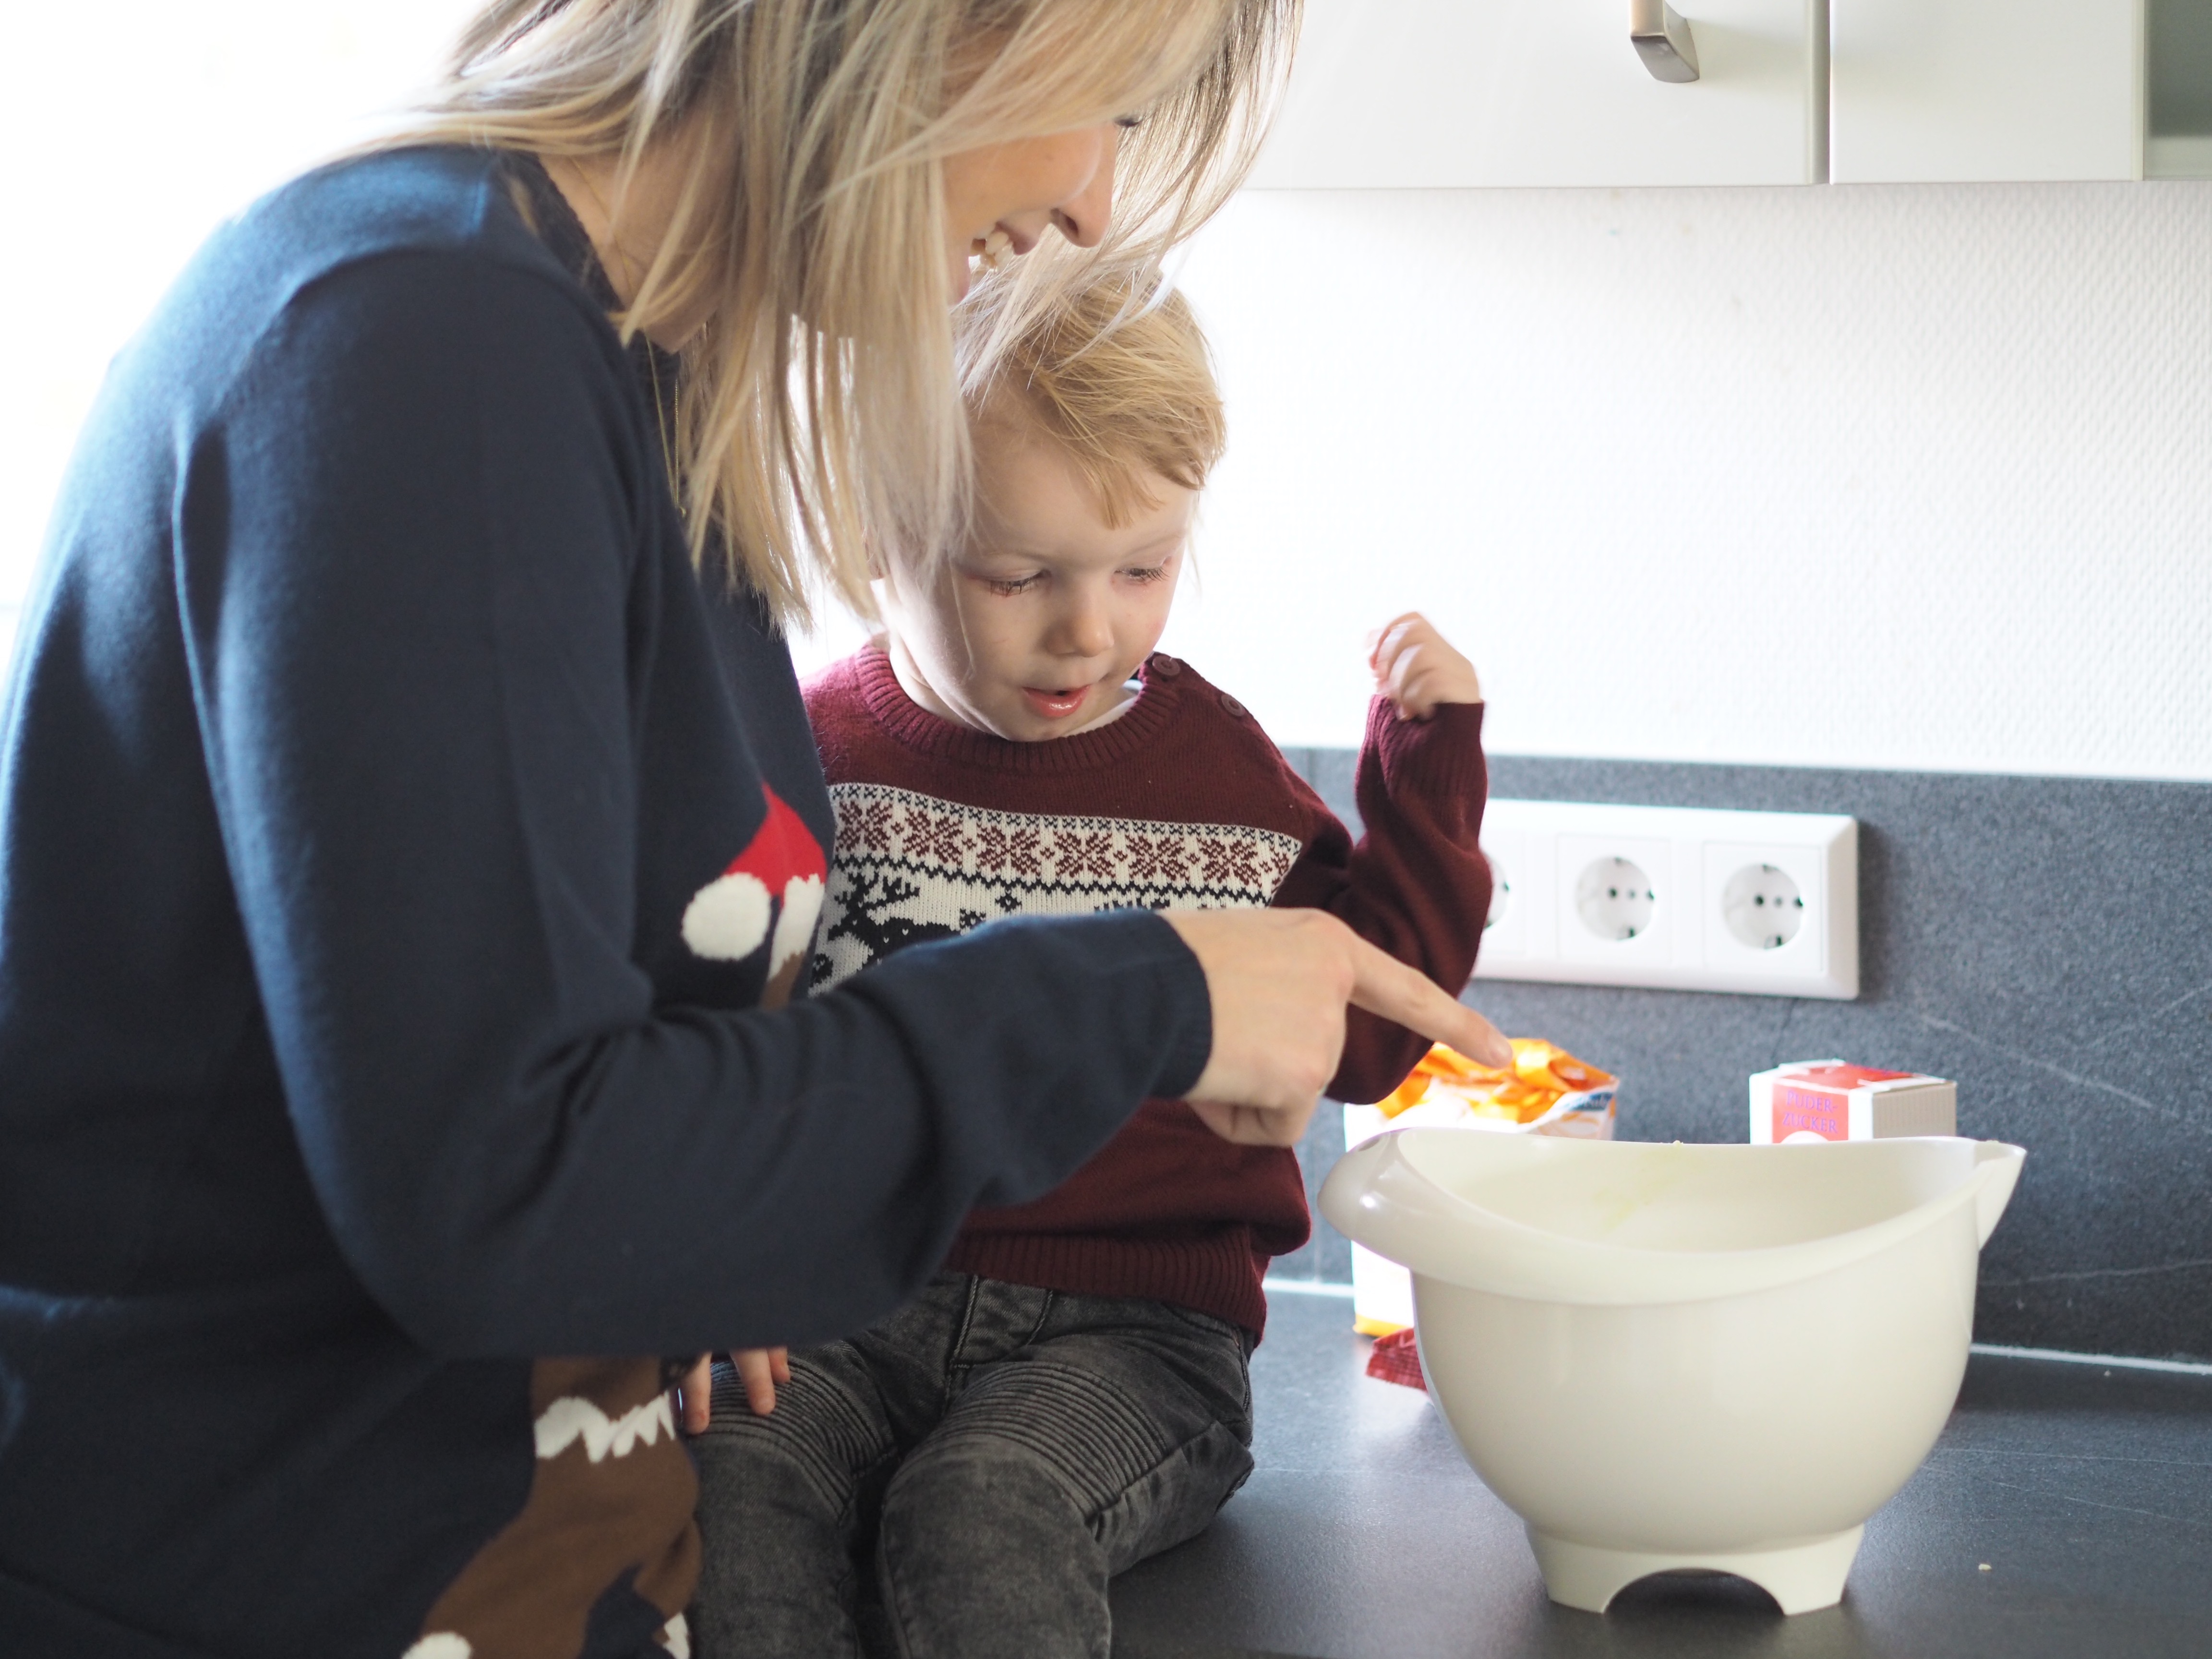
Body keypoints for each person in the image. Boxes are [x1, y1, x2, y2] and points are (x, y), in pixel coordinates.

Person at [0, 3, 1507, 1657]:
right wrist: (1144, 994)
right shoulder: (426, 342)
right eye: (1111, 99)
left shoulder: (603, 370)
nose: (1090, 201)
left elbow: (577, 1090)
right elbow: (506, 1184)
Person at [686, 272, 1493, 1658]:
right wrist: (719, 1260)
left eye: (1144, 568)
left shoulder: (1213, 769)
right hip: (851, 1295)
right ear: (882, 537)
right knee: (735, 1475)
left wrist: (1427, 768)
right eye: (1016, 577)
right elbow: (718, 1049)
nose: (1090, 629)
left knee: (980, 1505)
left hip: (1135, 1332)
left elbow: (1363, 1024)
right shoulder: (809, 756)